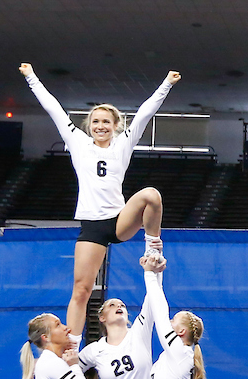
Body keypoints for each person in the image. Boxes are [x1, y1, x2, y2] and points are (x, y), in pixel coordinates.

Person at [19, 62, 179, 343]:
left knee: (151, 195)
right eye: (95, 121)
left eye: (106, 122)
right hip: (92, 226)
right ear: (89, 125)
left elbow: (144, 114)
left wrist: (166, 84)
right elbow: (54, 109)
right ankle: (72, 347)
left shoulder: (124, 143)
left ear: (116, 126)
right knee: (81, 290)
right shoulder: (78, 142)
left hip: (118, 220)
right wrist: (31, 77)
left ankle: (153, 248)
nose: (100, 126)